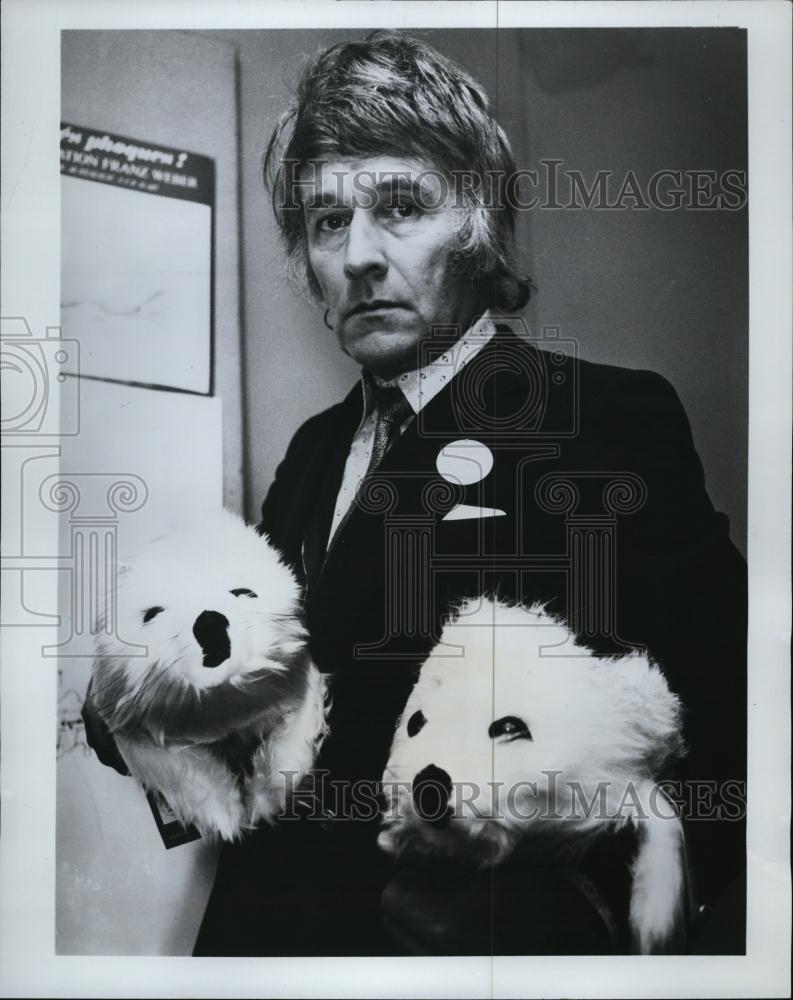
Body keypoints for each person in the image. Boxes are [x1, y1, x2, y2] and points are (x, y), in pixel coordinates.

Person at [86, 30, 747, 956]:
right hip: (260, 945)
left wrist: (579, 916)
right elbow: (280, 707)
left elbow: (733, 715)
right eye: (327, 221)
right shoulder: (314, 451)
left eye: (399, 206)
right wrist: (142, 701)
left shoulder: (604, 419)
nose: (357, 254)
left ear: (475, 227)